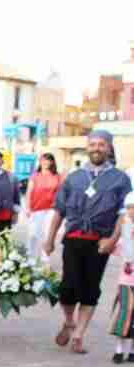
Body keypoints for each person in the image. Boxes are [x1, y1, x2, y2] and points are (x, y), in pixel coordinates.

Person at [45, 130, 132, 354]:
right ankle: (68, 321)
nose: (96, 148)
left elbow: (124, 214)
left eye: (101, 144)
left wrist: (113, 239)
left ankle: (79, 334)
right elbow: (59, 210)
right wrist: (50, 238)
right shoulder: (73, 177)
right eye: (92, 144)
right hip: (73, 239)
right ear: (87, 147)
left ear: (109, 148)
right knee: (67, 289)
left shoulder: (121, 180)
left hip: (100, 242)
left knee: (90, 289)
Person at [109, 192, 134, 364]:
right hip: (126, 278)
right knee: (124, 313)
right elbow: (115, 247)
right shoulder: (124, 227)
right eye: (129, 208)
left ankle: (132, 351)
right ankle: (119, 350)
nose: (132, 211)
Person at [26, 153, 62, 261]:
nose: (45, 162)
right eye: (43, 160)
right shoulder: (35, 175)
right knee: (33, 234)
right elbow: (29, 192)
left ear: (52, 162)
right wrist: (27, 208)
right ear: (40, 162)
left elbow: (60, 193)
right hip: (36, 209)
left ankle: (45, 259)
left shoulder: (57, 176)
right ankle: (30, 259)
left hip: (51, 209)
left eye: (48, 160)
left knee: (47, 235)